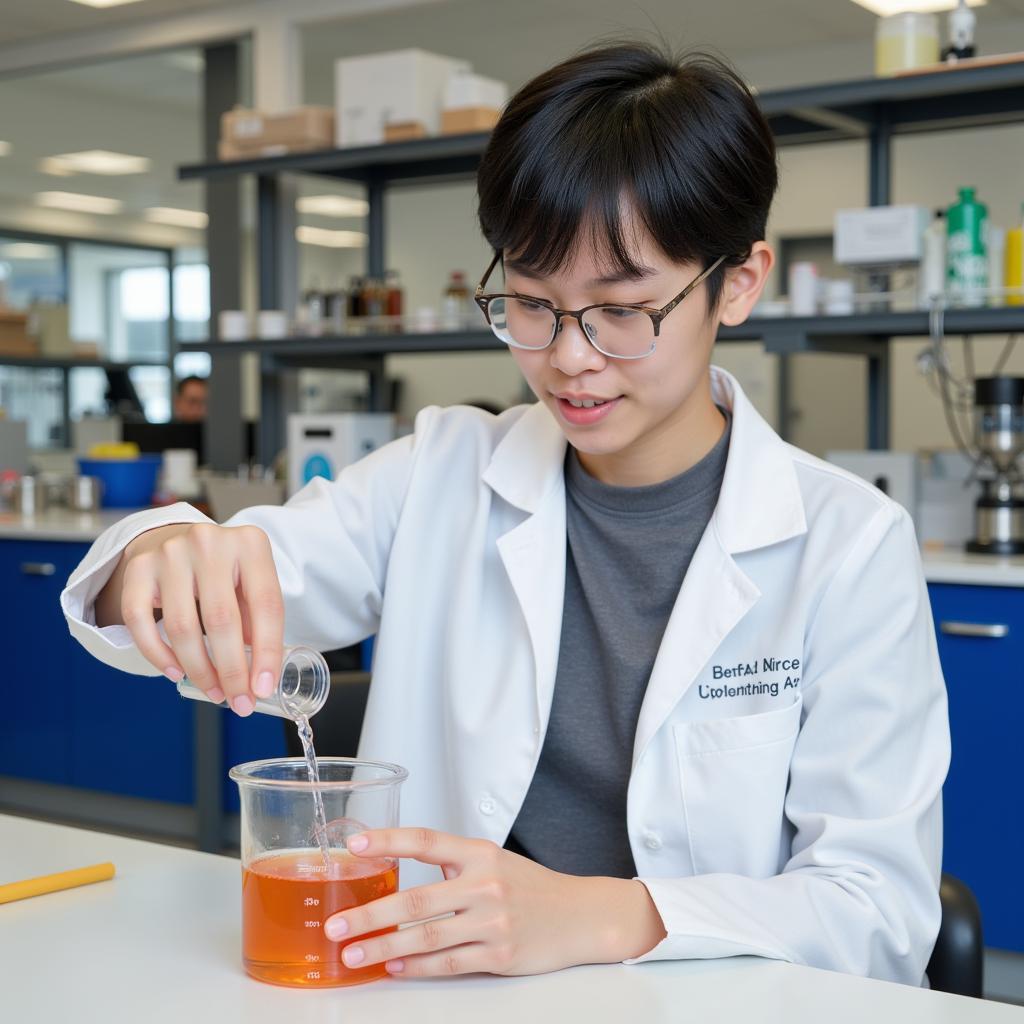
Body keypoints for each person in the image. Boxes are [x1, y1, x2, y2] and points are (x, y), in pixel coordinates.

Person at [61, 42, 949, 986]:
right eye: (532, 303)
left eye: (621, 309)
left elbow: (879, 911)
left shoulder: (849, 545)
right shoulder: (443, 473)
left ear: (738, 281)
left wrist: (602, 915)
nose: (570, 357)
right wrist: (158, 551)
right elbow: (192, 588)